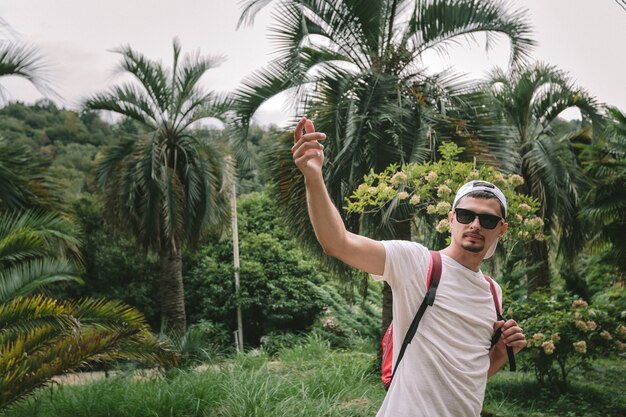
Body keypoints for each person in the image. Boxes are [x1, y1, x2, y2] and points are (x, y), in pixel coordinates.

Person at [292, 117, 527, 417]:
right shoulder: (417, 263)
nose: (476, 225)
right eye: (467, 216)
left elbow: (470, 377)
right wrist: (313, 176)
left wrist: (500, 352)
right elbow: (338, 243)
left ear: (501, 230)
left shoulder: (493, 293)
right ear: (452, 219)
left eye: (488, 220)